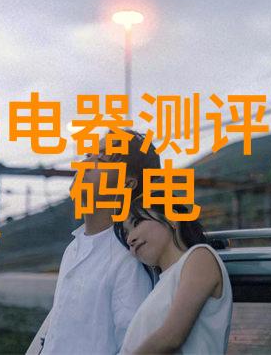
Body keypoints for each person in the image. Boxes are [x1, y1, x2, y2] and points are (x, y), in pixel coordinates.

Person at [25, 129, 160, 355]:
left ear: (128, 183)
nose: (86, 163)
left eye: (103, 158)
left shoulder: (129, 259)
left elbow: (133, 346)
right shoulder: (74, 247)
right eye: (89, 154)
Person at [118, 195, 233, 355]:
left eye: (137, 223)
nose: (130, 239)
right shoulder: (160, 284)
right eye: (126, 234)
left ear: (172, 218)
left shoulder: (200, 257)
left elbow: (171, 337)